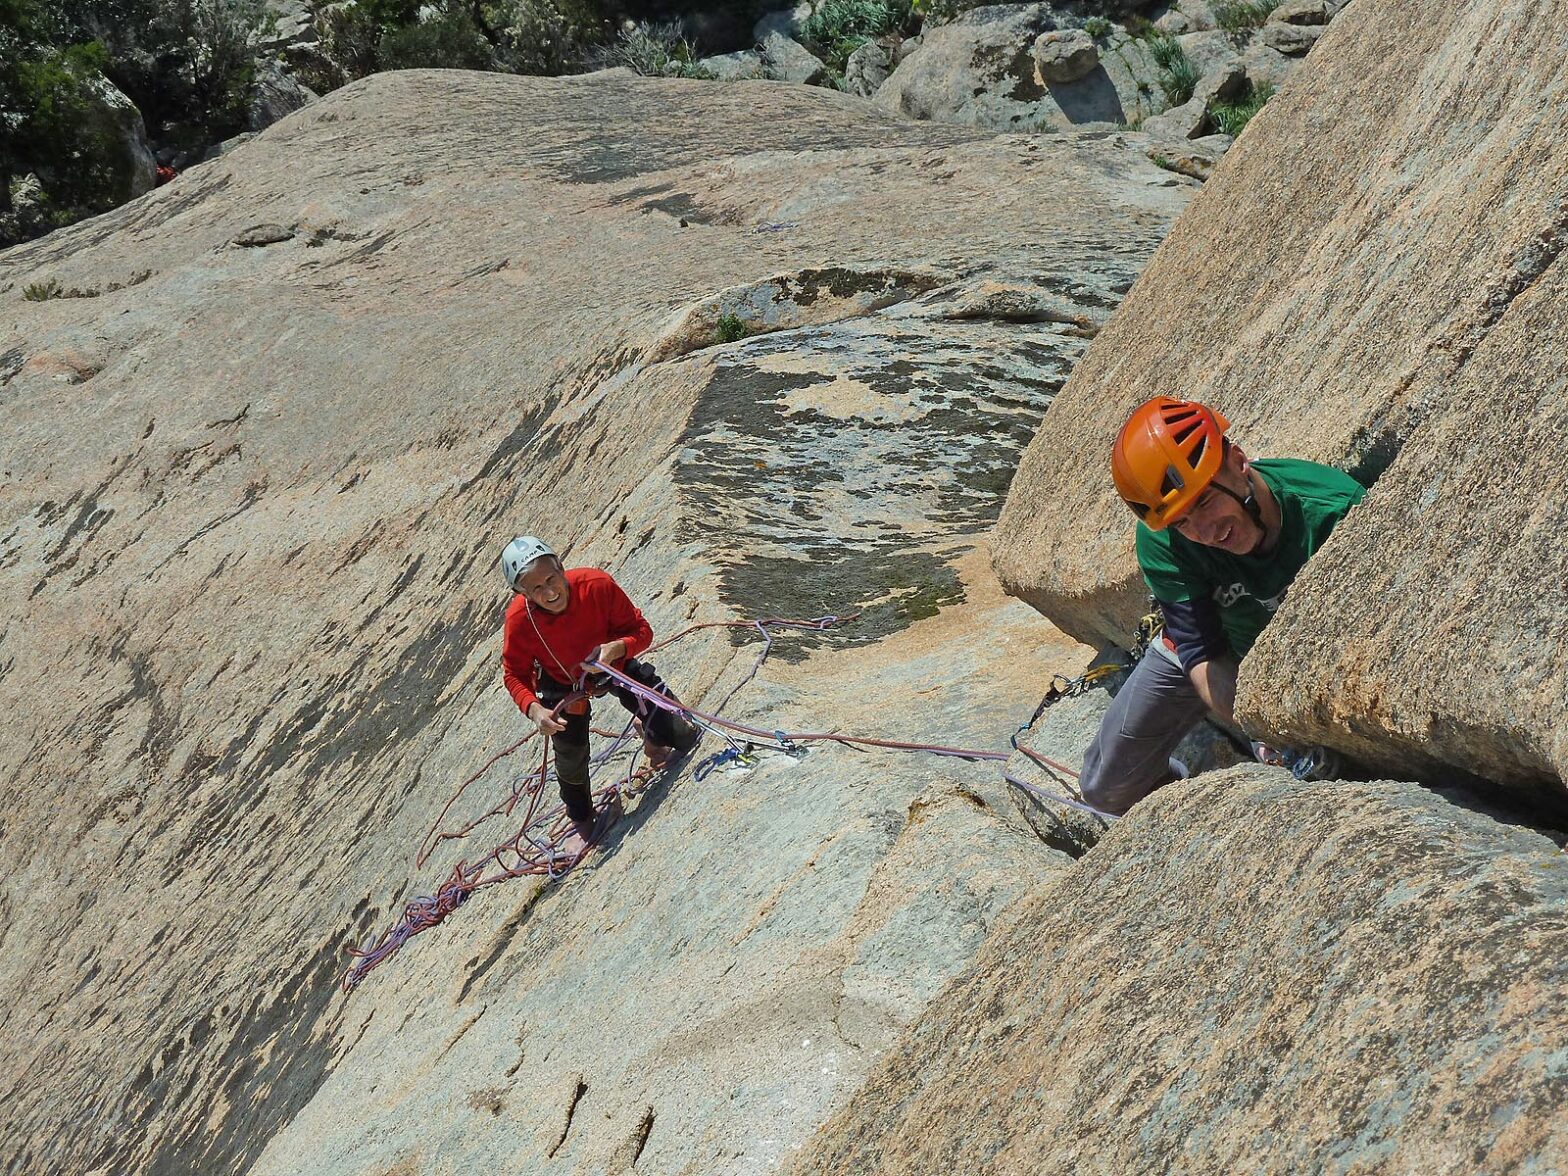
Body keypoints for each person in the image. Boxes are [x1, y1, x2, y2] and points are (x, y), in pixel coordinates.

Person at [1079, 396, 1366, 815]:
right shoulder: (1164, 541)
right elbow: (1200, 653)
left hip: (1291, 658)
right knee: (1105, 788)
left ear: (1238, 462)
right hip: (1210, 651)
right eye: (1183, 522)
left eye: (1205, 503)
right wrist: (1265, 730)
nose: (1206, 532)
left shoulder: (1333, 512)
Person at [499, 536, 699, 850]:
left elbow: (642, 631)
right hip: (563, 683)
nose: (549, 592)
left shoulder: (596, 585)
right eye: (536, 588)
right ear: (520, 592)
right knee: (570, 757)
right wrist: (535, 709)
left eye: (552, 579)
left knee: (684, 737)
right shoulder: (520, 622)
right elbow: (514, 673)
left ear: (561, 567)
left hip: (613, 664)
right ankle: (581, 819)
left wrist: (618, 647)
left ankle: (655, 738)